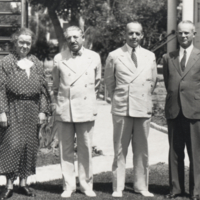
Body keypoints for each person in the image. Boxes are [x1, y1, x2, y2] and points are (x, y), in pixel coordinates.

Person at [105, 21, 157, 198]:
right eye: (130, 33)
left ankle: (141, 186)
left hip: (142, 107)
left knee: (142, 150)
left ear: (142, 35)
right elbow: (110, 84)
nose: (134, 37)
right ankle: (117, 187)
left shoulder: (150, 56)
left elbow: (153, 82)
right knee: (120, 149)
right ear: (125, 35)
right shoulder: (114, 55)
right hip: (122, 107)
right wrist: (120, 98)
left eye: (137, 33)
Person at [0, 28, 50, 200]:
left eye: (27, 43)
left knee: (29, 146)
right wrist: (2, 112)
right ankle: (8, 185)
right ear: (15, 42)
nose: (24, 46)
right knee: (12, 145)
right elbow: (0, 89)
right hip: (14, 107)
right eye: (21, 42)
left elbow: (43, 90)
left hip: (33, 108)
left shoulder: (35, 62)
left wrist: (43, 110)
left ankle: (23, 183)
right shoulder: (7, 62)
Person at [52, 26, 101, 198]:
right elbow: (56, 86)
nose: (72, 41)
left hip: (85, 109)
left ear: (82, 37)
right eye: (69, 38)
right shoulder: (59, 58)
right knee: (65, 150)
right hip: (66, 108)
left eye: (75, 37)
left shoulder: (94, 57)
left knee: (85, 148)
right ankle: (68, 186)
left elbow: (97, 82)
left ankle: (86, 185)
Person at [163, 20, 200, 200]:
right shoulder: (168, 57)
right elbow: (168, 82)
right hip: (174, 110)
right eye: (180, 33)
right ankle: (176, 189)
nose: (183, 36)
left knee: (195, 153)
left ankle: (196, 191)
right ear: (176, 35)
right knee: (175, 152)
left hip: (194, 111)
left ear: (193, 34)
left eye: (187, 33)